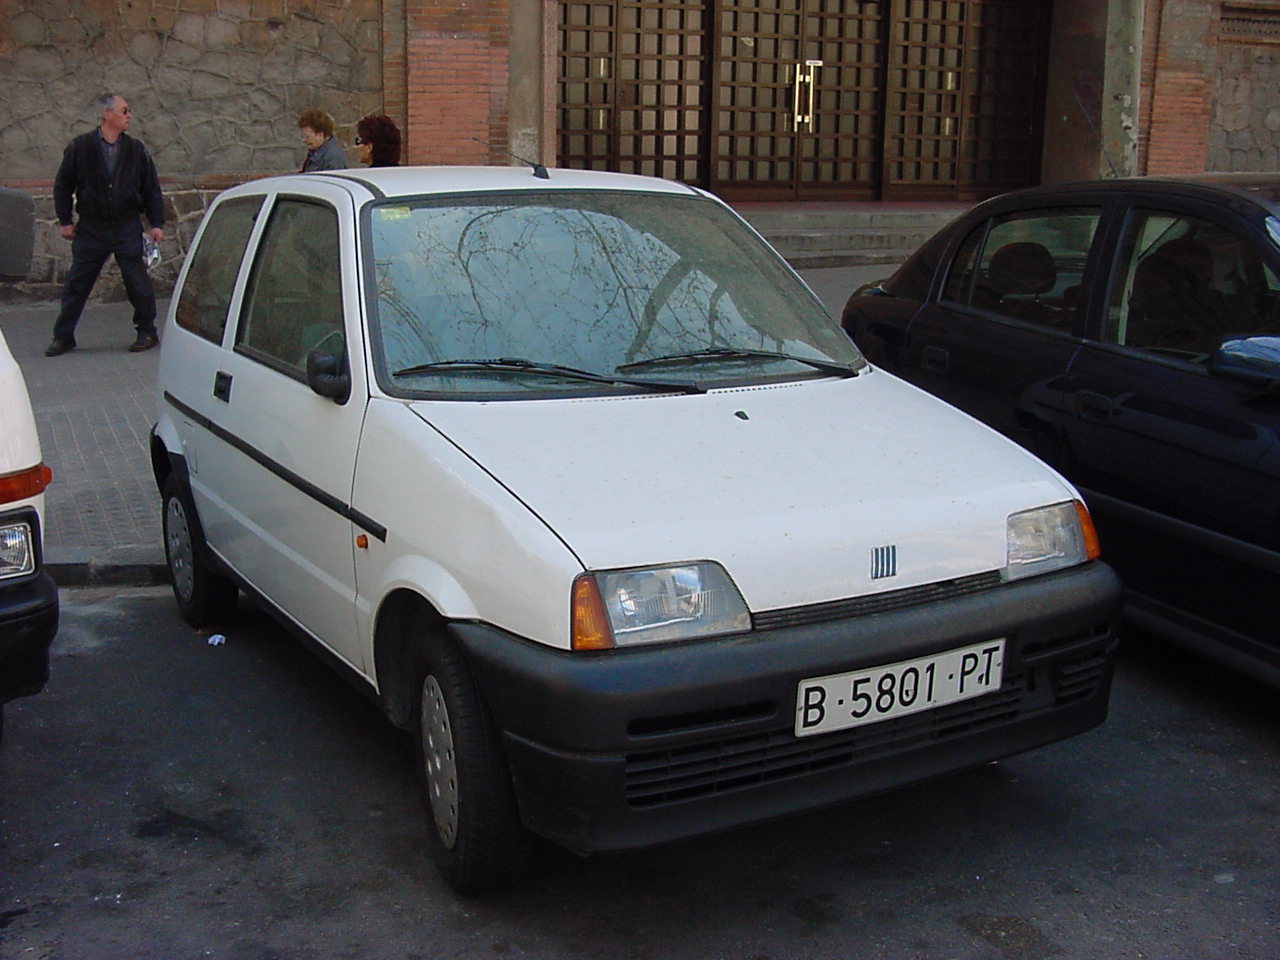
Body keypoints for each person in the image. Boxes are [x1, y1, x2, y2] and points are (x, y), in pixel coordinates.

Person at [47, 93, 166, 357]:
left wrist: (156, 223)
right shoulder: (80, 147)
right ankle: (63, 336)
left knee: (136, 281)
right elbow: (63, 185)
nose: (129, 116)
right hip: (92, 227)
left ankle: (147, 331)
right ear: (106, 114)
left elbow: (151, 188)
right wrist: (65, 220)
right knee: (77, 283)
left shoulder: (136, 149)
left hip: (126, 225)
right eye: (124, 111)